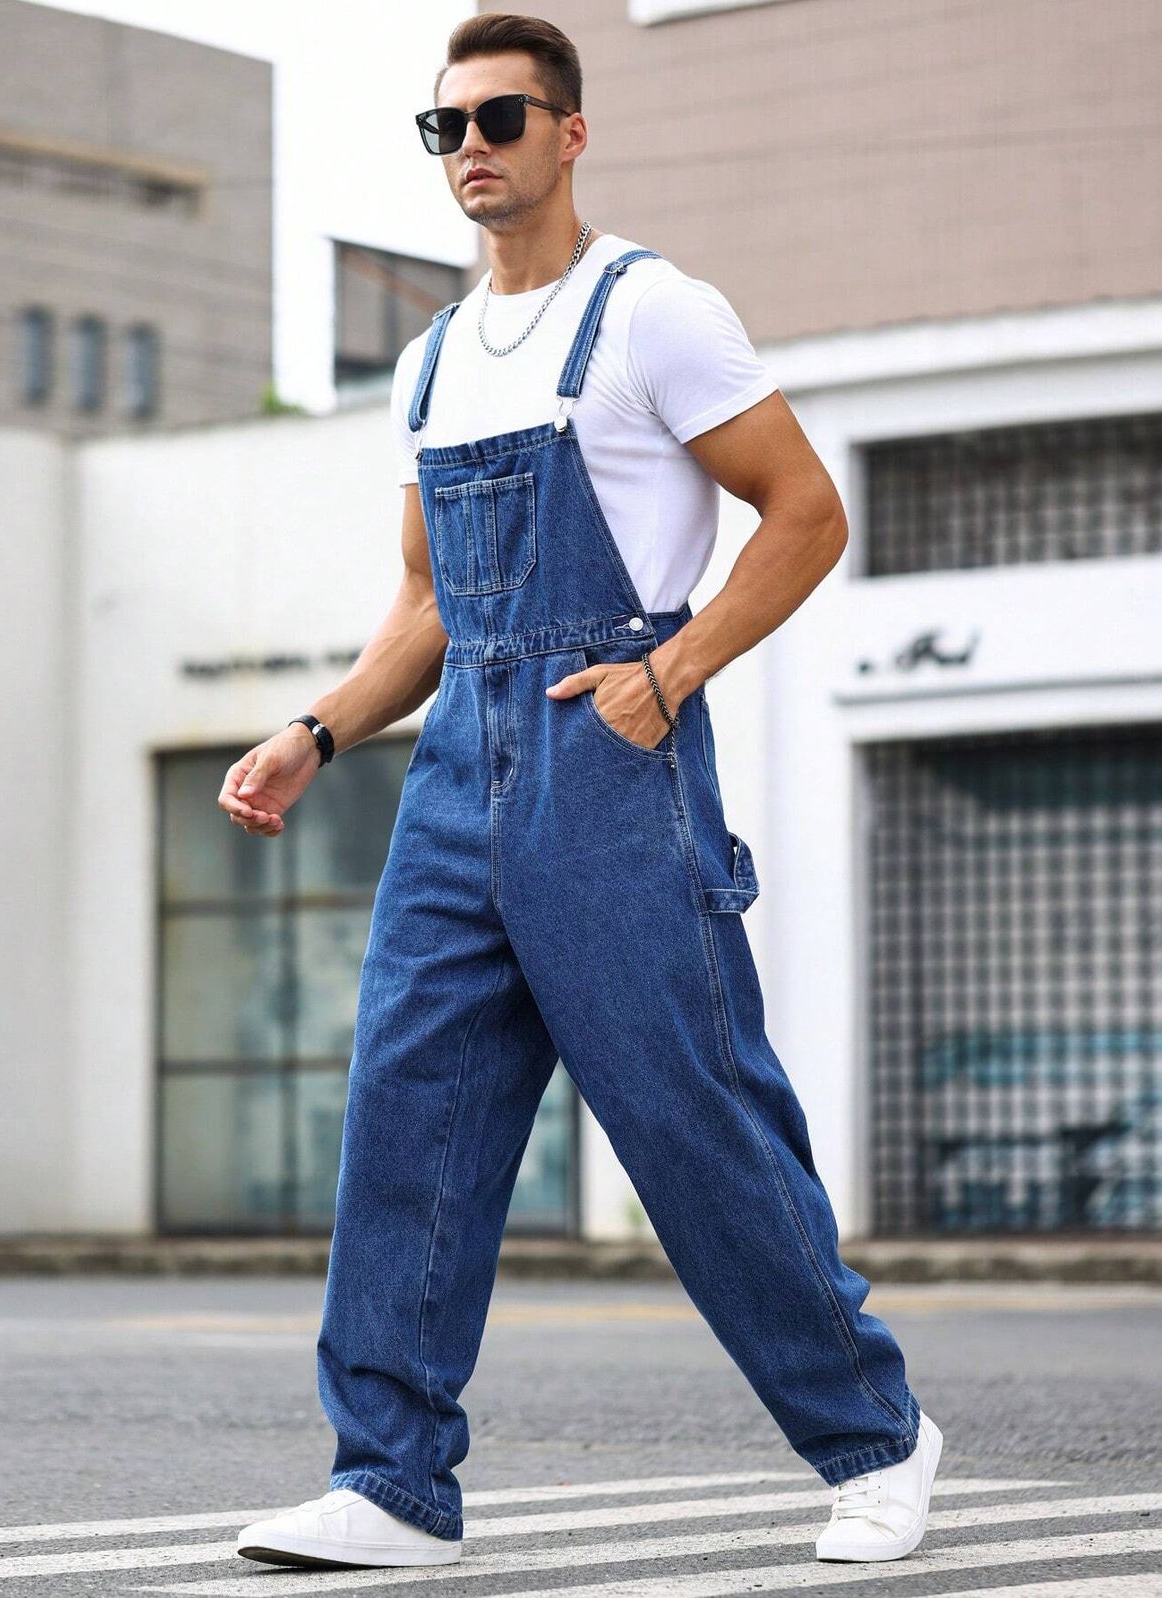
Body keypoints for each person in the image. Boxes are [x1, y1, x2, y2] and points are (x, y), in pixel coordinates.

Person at [223, 11, 942, 1574]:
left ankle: (877, 1440)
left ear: (570, 132)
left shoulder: (653, 312)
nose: (471, 146)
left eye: (501, 117)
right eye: (447, 127)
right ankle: (392, 1482)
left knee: (694, 1121)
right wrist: (317, 729)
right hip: (454, 781)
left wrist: (668, 674)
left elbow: (804, 513)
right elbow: (428, 604)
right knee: (406, 1120)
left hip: (611, 761)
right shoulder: (428, 362)